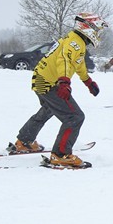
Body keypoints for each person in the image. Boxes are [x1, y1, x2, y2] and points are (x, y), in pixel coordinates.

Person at [7, 12, 106, 167]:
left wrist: (88, 81)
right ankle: (61, 154)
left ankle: (24, 141)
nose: (98, 34)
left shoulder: (76, 40)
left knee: (48, 109)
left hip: (41, 79)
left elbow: (77, 63)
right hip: (49, 82)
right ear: (89, 28)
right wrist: (64, 82)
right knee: (74, 116)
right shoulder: (75, 42)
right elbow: (64, 60)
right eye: (97, 30)